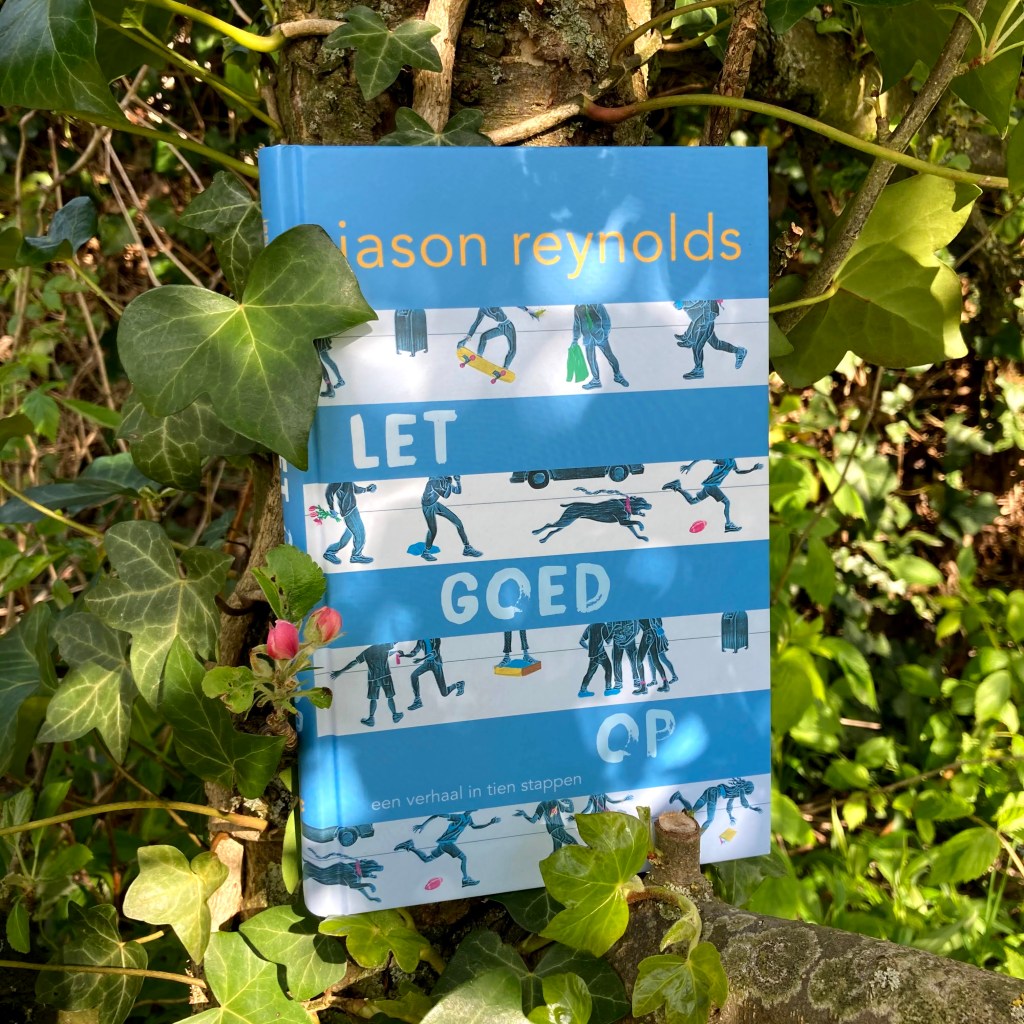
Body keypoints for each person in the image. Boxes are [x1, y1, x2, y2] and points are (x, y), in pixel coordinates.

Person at [394, 811, 500, 887]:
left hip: (445, 844)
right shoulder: (458, 817)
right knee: (463, 858)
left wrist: (489, 823)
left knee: (427, 859)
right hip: (447, 843)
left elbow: (474, 826)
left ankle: (410, 846)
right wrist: (423, 825)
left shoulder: (469, 819)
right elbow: (437, 814)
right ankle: (465, 879)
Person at [662, 458, 764, 533]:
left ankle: (677, 486)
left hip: (709, 486)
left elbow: (738, 471)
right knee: (727, 502)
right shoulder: (724, 460)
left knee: (692, 501)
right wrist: (690, 466)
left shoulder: (732, 462)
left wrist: (752, 469)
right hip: (712, 486)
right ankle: (728, 525)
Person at [330, 643, 402, 727]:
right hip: (385, 676)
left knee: (373, 699)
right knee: (390, 697)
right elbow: (391, 646)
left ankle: (371, 718)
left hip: (373, 679)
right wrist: (396, 651)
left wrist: (340, 671)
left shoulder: (367, 652)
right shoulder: (384, 646)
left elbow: (354, 662)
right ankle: (395, 715)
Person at [673, 299, 746, 380]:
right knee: (716, 344)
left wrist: (683, 303)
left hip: (708, 316)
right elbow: (699, 303)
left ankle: (699, 370)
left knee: (697, 345)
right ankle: (739, 351)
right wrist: (684, 305)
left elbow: (700, 300)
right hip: (706, 314)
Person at [419, 475, 482, 561]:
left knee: (458, 522)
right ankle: (426, 553)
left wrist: (458, 481)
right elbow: (446, 495)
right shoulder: (433, 482)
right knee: (433, 531)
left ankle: (467, 548)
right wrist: (449, 483)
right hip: (428, 507)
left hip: (435, 504)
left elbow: (457, 491)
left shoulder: (444, 481)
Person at [460, 306, 539, 370]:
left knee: (512, 349)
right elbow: (476, 323)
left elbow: (513, 303)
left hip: (509, 326)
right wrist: (468, 337)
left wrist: (527, 310)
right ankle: (479, 356)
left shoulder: (494, 302)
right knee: (484, 336)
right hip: (500, 327)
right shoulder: (482, 310)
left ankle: (505, 367)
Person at [572, 303, 628, 390]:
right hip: (588, 338)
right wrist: (575, 339)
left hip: (600, 336)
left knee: (610, 356)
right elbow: (577, 324)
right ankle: (596, 381)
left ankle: (618, 376)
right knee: (591, 360)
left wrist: (604, 335)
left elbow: (606, 320)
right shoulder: (577, 307)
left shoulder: (597, 304)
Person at [397, 638, 465, 709]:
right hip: (427, 663)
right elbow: (414, 653)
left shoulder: (436, 638)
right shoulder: (421, 639)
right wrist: (404, 655)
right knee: (413, 676)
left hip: (436, 664)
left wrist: (422, 659)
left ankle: (459, 684)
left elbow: (434, 653)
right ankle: (417, 701)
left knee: (444, 693)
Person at [322, 481, 375, 564]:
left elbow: (355, 489)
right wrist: (331, 509)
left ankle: (329, 552)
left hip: (352, 509)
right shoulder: (339, 479)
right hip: (349, 512)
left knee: (345, 539)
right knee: (360, 533)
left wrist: (367, 489)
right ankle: (356, 556)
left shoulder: (347, 479)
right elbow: (329, 492)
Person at [578, 622, 612, 698]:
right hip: (601, 653)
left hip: (592, 655)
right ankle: (608, 689)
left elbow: (581, 641)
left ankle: (582, 690)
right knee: (608, 668)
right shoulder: (602, 625)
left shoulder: (590, 626)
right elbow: (608, 641)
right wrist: (611, 631)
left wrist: (589, 648)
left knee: (590, 673)